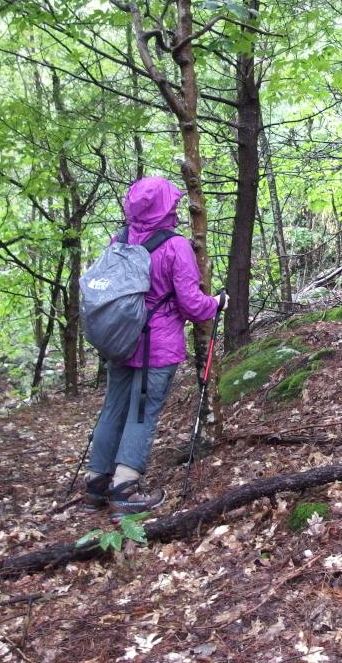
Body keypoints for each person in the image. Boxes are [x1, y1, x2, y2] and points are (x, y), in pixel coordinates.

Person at [84, 177, 226, 519]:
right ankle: (124, 490)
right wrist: (217, 303)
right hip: (156, 347)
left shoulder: (118, 240)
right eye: (171, 202)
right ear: (165, 206)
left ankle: (96, 483)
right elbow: (191, 304)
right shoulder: (175, 246)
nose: (176, 206)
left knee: (114, 408)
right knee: (141, 413)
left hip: (120, 340)